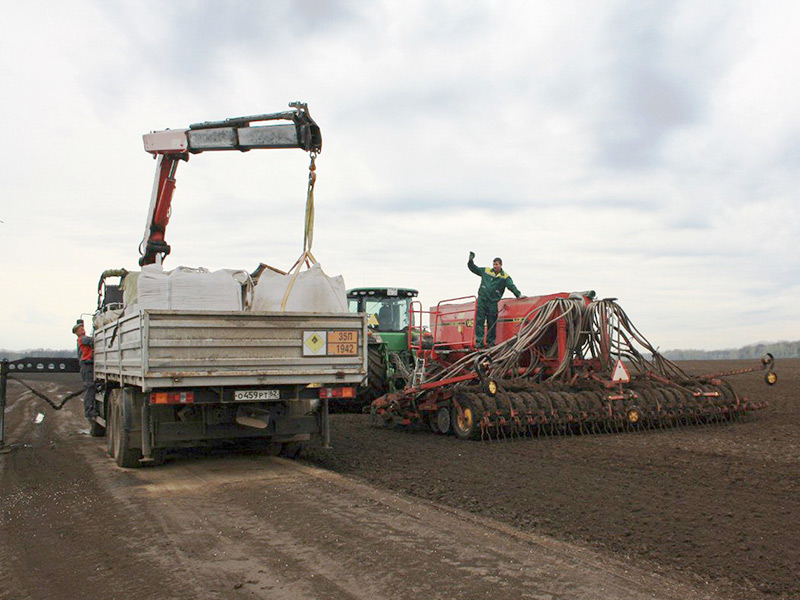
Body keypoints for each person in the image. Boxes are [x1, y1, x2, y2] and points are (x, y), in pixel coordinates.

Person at [467, 252, 522, 348]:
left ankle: (490, 343)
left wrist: (518, 295)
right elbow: (474, 269)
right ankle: (479, 342)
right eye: (493, 264)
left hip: (492, 302)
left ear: (501, 265)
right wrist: (470, 262)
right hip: (482, 300)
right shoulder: (486, 271)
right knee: (479, 321)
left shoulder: (505, 277)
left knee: (491, 322)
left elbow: (511, 286)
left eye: (496, 264)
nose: (494, 266)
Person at [72, 319, 96, 423]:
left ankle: (90, 409)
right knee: (89, 387)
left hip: (87, 365)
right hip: (86, 365)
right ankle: (89, 411)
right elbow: (93, 340)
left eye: (82, 327)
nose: (82, 329)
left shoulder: (82, 339)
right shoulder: (82, 339)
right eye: (79, 329)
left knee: (91, 387)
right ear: (76, 333)